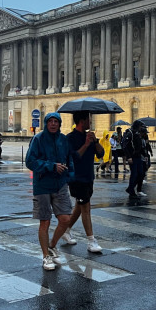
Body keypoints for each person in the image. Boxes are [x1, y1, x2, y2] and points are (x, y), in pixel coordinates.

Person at [25, 112, 75, 271]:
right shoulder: (38, 139)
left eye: (56, 121)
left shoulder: (63, 139)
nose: (53, 124)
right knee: (45, 221)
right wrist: (51, 165)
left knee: (66, 219)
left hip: (60, 184)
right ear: (46, 123)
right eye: (50, 121)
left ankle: (52, 245)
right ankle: (46, 256)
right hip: (42, 185)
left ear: (60, 124)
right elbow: (30, 161)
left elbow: (70, 160)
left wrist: (69, 176)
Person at [62, 111, 104, 253]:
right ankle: (91, 241)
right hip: (77, 178)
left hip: (88, 177)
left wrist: (95, 141)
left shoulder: (90, 137)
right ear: (81, 121)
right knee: (86, 207)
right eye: (88, 119)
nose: (90, 122)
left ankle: (66, 230)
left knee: (80, 206)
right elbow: (74, 157)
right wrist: (86, 144)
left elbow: (101, 154)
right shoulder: (70, 138)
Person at [125, 120, 146, 199]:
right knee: (134, 174)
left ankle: (130, 188)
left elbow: (139, 146)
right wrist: (129, 157)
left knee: (141, 173)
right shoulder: (130, 133)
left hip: (138, 156)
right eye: (140, 126)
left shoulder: (137, 134)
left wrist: (144, 155)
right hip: (133, 157)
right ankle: (131, 191)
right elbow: (126, 146)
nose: (141, 128)